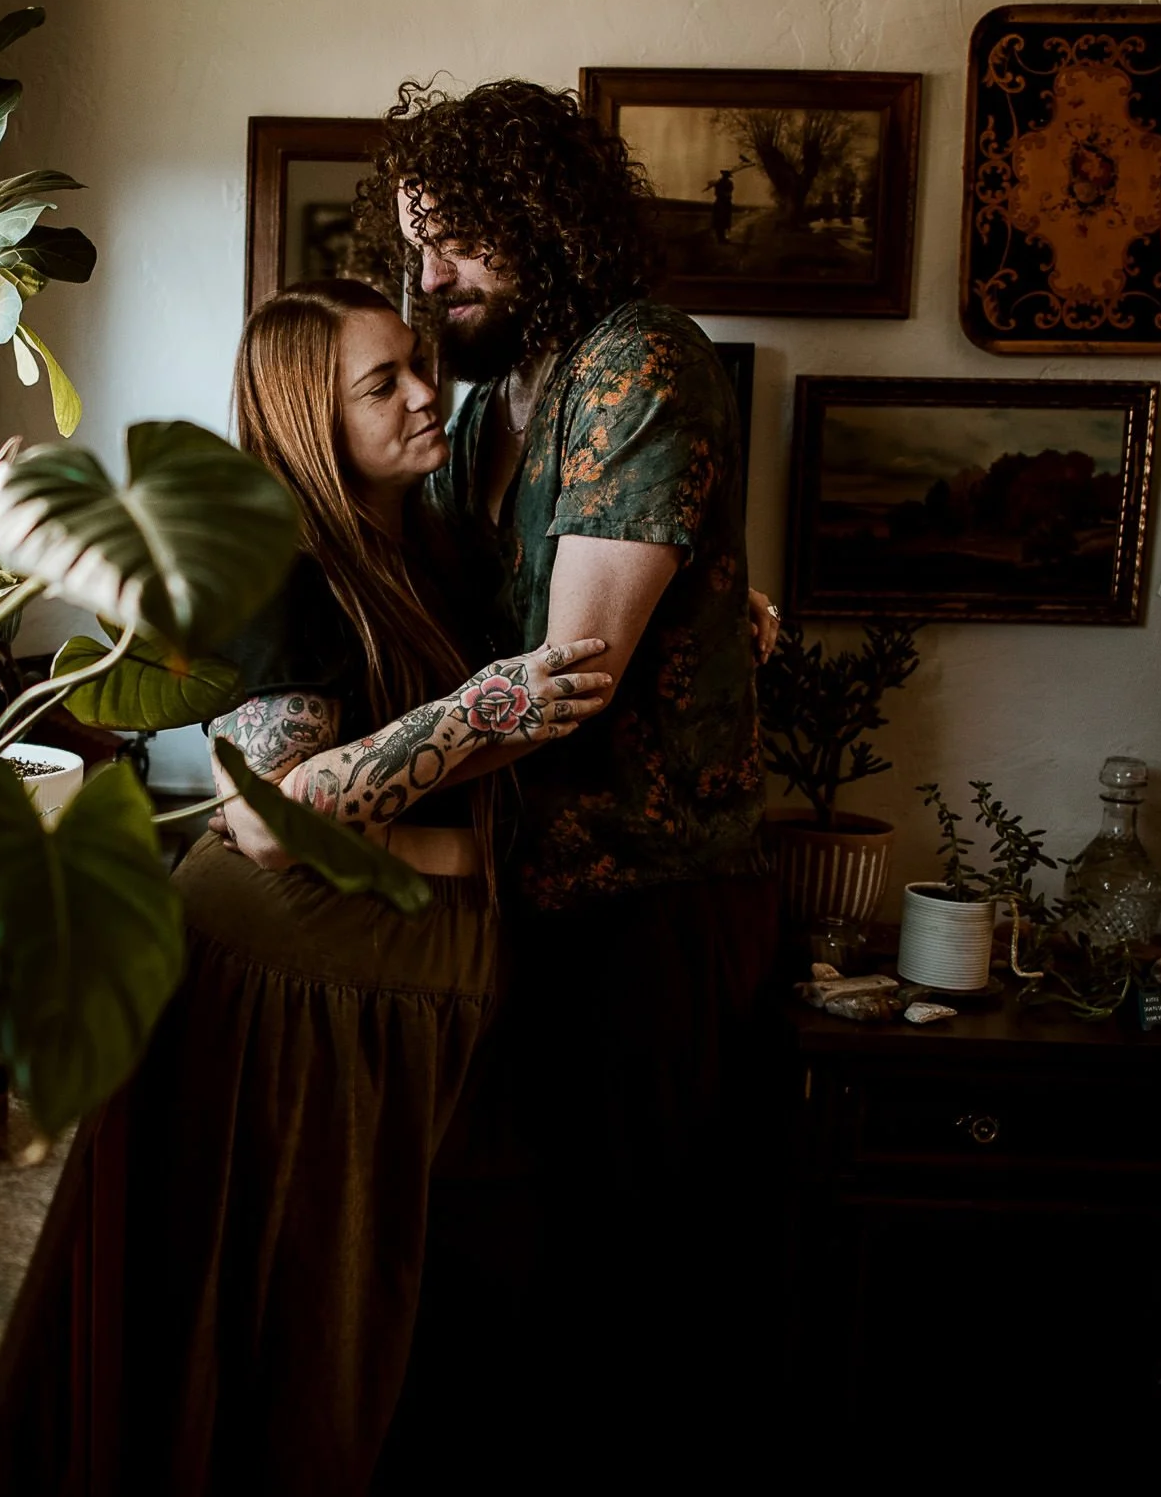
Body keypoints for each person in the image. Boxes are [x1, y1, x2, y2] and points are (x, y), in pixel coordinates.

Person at [122, 278, 615, 1497]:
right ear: (305, 416)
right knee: (316, 1323)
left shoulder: (428, 540)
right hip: (303, 990)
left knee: (427, 1317)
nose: (420, 392)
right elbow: (270, 812)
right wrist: (478, 723)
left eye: (418, 364)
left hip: (409, 981)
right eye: (378, 382)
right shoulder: (278, 565)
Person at [360, 77, 780, 1473]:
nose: (432, 277)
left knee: (633, 1283)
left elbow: (574, 668)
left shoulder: (638, 360)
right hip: (522, 890)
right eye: (418, 244)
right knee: (515, 1271)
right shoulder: (486, 411)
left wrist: (340, 784)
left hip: (649, 899)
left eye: (460, 237)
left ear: (546, 219)